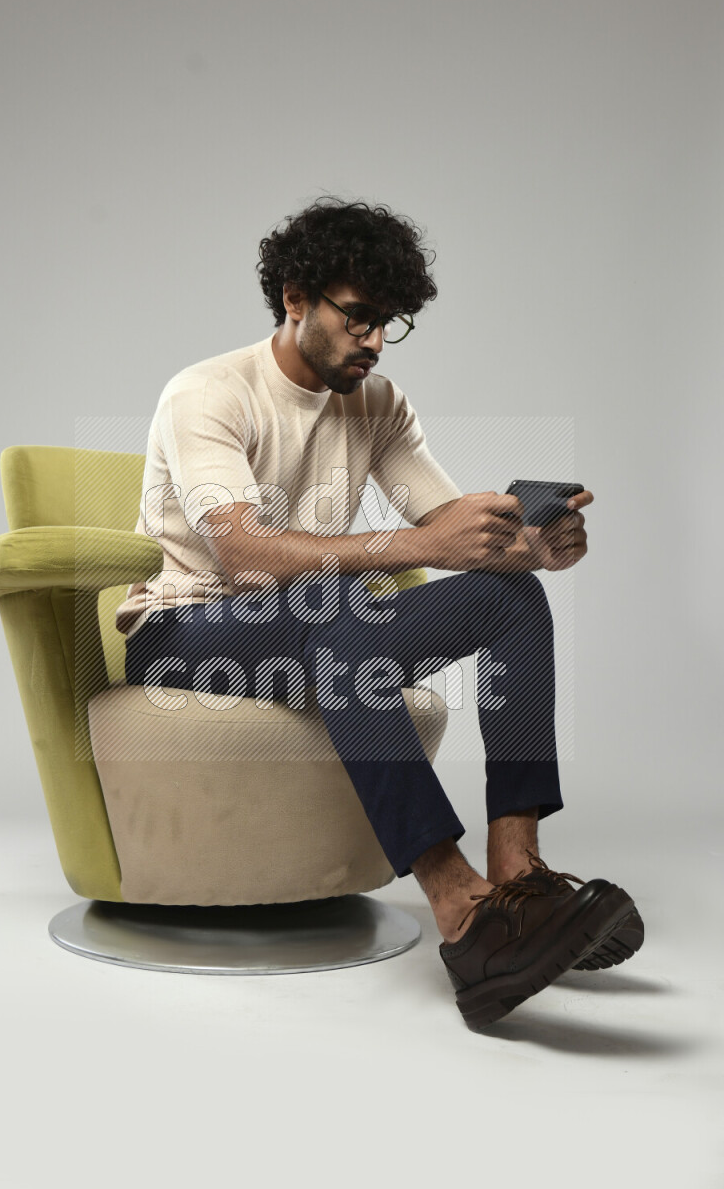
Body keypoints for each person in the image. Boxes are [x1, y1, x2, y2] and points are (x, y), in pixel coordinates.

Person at [118, 195, 644, 1030]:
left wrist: (531, 544)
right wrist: (414, 545)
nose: (373, 341)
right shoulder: (208, 393)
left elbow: (449, 530)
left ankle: (520, 879)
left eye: (388, 323)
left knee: (509, 600)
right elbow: (244, 553)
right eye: (357, 317)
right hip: (186, 632)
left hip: (325, 628)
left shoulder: (378, 403)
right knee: (336, 605)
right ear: (295, 298)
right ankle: (462, 911)